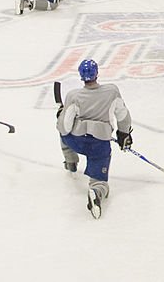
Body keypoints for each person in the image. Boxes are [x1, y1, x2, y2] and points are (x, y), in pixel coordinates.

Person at [57, 59, 133, 219]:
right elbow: (123, 115)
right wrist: (124, 134)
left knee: (63, 135)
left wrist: (61, 115)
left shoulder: (74, 96)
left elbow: (64, 126)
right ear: (97, 73)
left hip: (77, 141)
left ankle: (70, 162)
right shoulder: (111, 91)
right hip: (99, 144)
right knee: (100, 182)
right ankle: (96, 191)